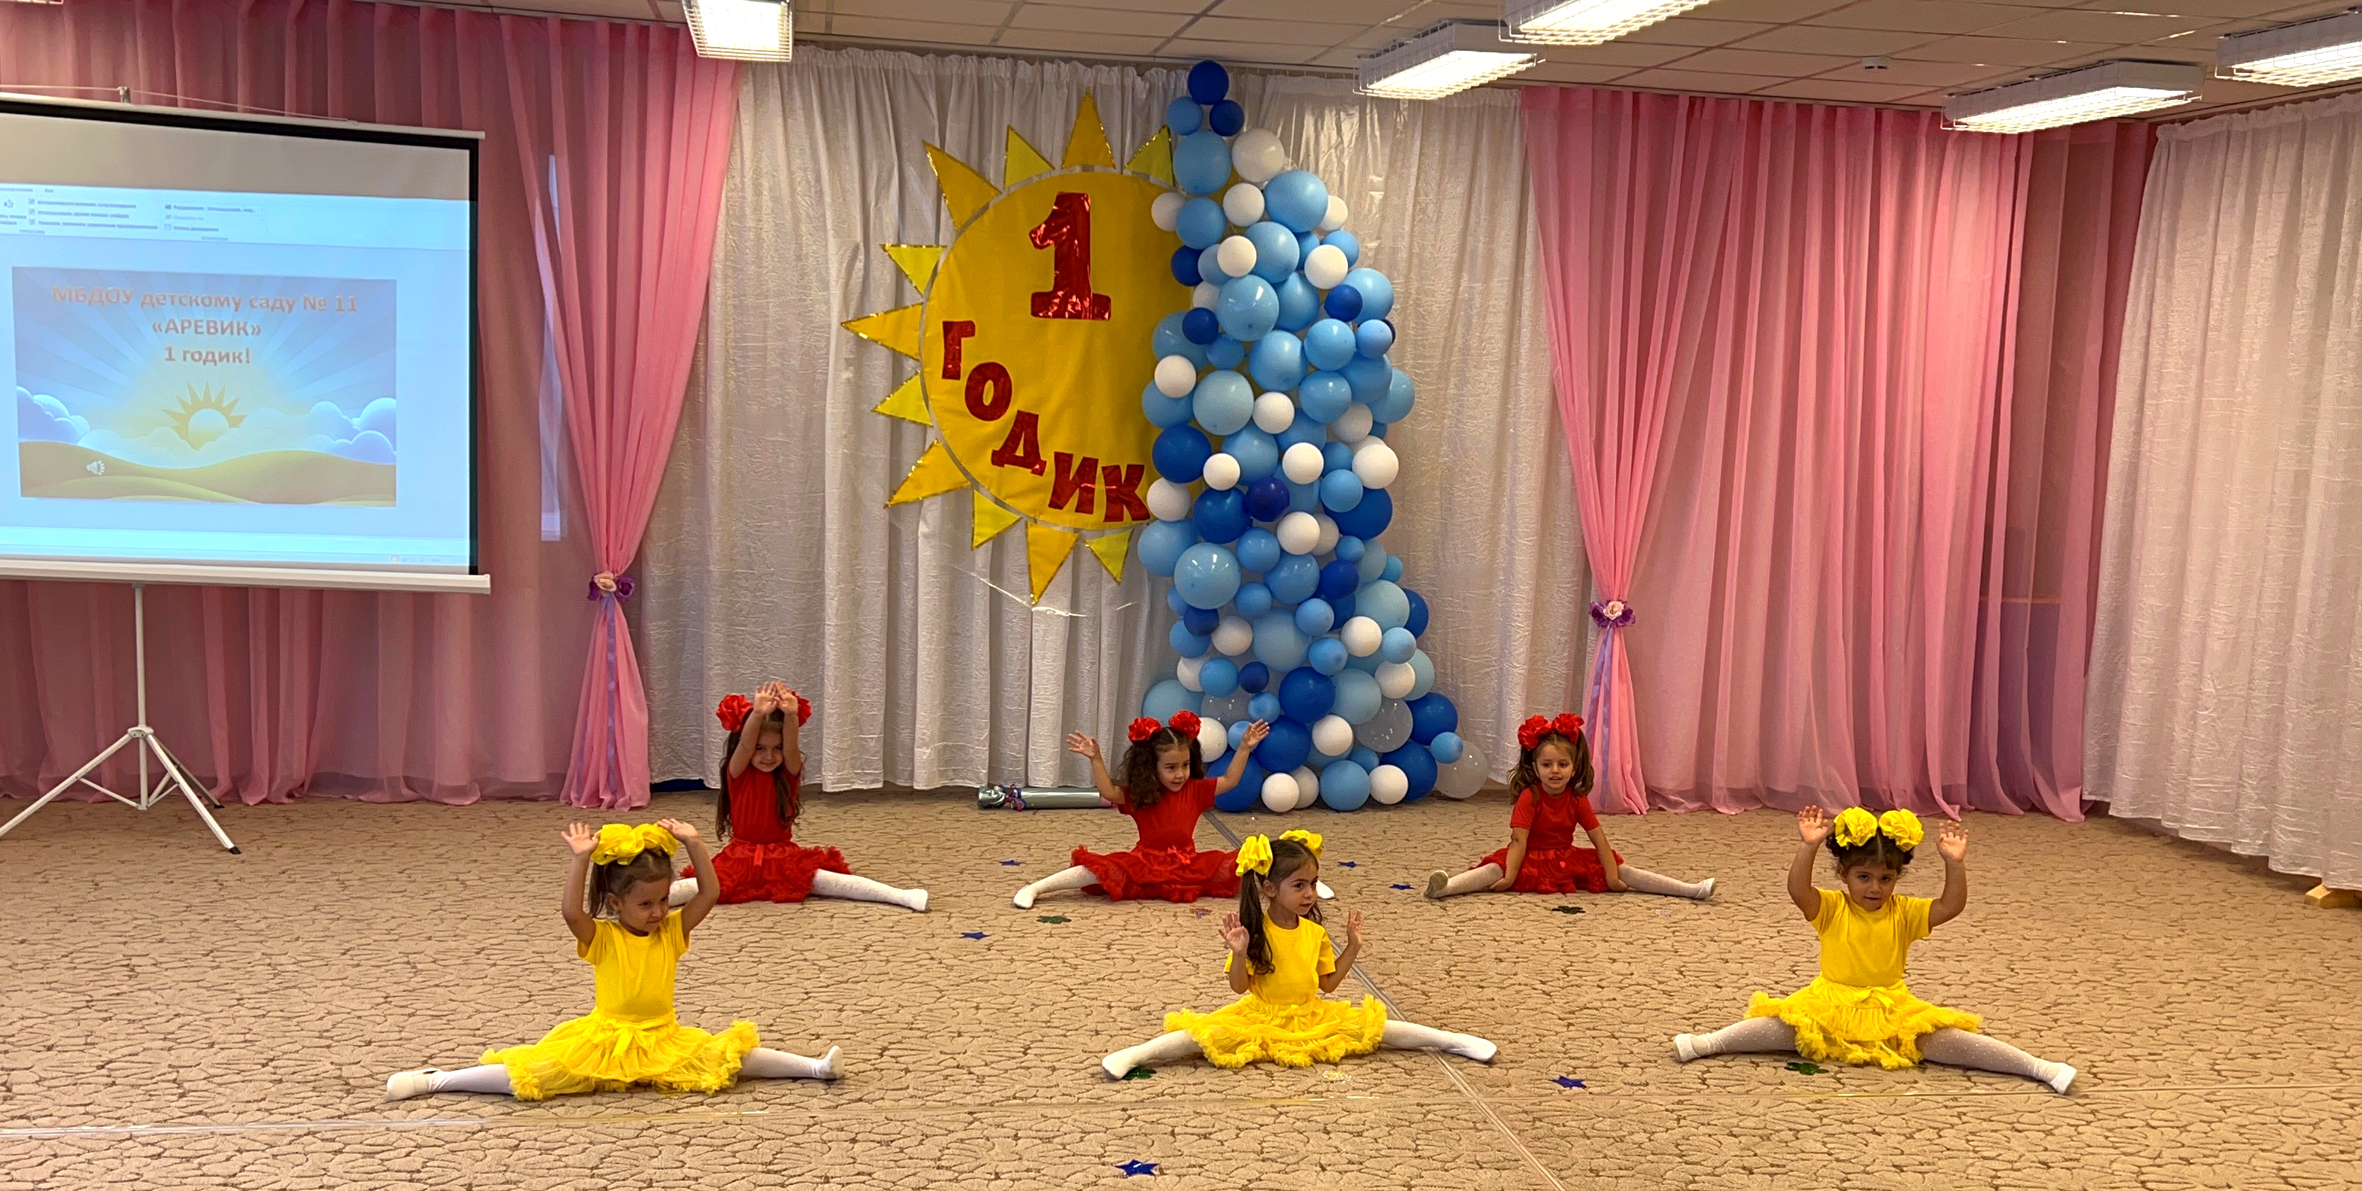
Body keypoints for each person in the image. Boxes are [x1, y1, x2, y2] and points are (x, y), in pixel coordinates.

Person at [385, 821, 839, 1100]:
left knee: (727, 1057)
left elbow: (710, 893)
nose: (658, 912)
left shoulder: (673, 931)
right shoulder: (602, 937)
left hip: (662, 1037)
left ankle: (814, 1067)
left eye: (663, 900)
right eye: (646, 905)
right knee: (536, 1072)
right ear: (616, 903)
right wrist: (581, 860)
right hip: (604, 1038)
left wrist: (695, 844)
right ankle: (438, 1079)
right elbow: (571, 913)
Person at [1672, 807, 2077, 1093]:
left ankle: (2038, 1067)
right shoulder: (1832, 908)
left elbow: (1950, 906)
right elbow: (1798, 890)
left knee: (1944, 1041)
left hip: (1890, 1007)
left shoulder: (1904, 912)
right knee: (1781, 1028)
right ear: (1844, 874)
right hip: (1829, 1003)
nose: (1875, 888)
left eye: (1886, 879)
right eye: (1864, 877)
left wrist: (1955, 864)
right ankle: (1709, 1042)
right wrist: (1808, 846)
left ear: (1897, 878)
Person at [1099, 831, 1495, 1078]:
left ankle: (1451, 1041)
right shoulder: (1256, 931)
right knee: (1201, 1036)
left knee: (1376, 1028)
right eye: (1299, 885)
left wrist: (1353, 947)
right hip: (1261, 1015)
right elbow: (1239, 987)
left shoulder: (1314, 932)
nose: (1309, 894)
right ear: (1270, 889)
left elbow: (1328, 984)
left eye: (1314, 884)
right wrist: (1239, 952)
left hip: (1310, 1014)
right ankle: (1137, 1054)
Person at [669, 683, 926, 912]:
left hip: (783, 859)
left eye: (777, 748)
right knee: (692, 888)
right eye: (760, 748)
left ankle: (902, 896)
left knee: (835, 883)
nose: (769, 756)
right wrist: (757, 714)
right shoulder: (738, 773)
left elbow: (791, 747)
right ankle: (643, 903)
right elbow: (745, 746)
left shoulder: (787, 774)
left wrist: (791, 715)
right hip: (739, 861)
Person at [1424, 713, 1712, 901]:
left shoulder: (1576, 797)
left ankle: (1688, 889)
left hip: (1565, 858)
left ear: (1574, 767)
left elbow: (1599, 838)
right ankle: (1445, 888)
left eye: (1562, 764)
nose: (1555, 771)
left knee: (1622, 868)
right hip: (1527, 857)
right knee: (1492, 870)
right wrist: (1510, 875)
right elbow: (1518, 841)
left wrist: (1612, 875)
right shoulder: (1530, 796)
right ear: (1535, 767)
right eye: (1547, 764)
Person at [1012, 712, 1271, 909]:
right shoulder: (1143, 794)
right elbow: (1109, 791)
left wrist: (1244, 748)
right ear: (1152, 766)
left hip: (1187, 864)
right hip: (1144, 862)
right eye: (1171, 767)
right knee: (1100, 869)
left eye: (1185, 765)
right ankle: (1036, 888)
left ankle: (1286, 880)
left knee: (1245, 860)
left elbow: (1230, 780)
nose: (1180, 774)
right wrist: (1096, 759)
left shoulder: (1195, 790)